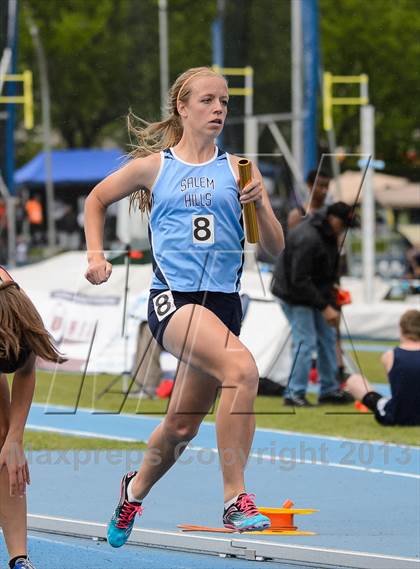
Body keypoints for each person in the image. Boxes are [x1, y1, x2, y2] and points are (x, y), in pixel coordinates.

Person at [84, 66, 284, 544]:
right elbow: (96, 199)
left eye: (225, 103)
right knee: (244, 369)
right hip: (174, 301)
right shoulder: (155, 167)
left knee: (179, 426)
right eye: (208, 101)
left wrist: (258, 204)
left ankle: (132, 491)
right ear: (182, 107)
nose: (218, 109)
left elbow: (274, 248)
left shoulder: (240, 169)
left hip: (224, 306)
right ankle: (236, 498)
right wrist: (95, 254)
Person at [0, 266, 64, 569]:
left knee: (4, 443)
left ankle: (18, 558)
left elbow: (25, 368)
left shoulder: (18, 306)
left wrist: (15, 438)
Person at [271, 202, 356, 407]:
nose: (344, 229)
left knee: (327, 338)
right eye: (343, 225)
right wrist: (325, 307)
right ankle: (294, 393)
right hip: (292, 293)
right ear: (334, 220)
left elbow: (324, 274)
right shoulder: (308, 237)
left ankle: (329, 390)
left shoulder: (328, 234)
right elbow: (298, 280)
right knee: (305, 341)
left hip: (311, 292)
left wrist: (333, 299)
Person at [344, 309, 420, 426]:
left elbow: (399, 386)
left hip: (395, 416)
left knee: (354, 380)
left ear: (401, 329)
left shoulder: (389, 356)